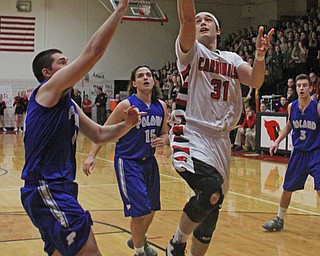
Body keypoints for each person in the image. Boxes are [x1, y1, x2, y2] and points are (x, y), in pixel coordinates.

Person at [19, 1, 145, 256]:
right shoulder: (47, 91)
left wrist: (127, 124)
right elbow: (94, 53)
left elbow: (99, 134)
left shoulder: (68, 104)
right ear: (48, 73)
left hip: (58, 188)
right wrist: (120, 9)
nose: (70, 66)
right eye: (62, 62)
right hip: (48, 187)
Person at [166, 1, 274, 255]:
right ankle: (177, 242)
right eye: (199, 19)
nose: (202, 22)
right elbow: (187, 21)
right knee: (210, 191)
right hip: (192, 133)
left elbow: (256, 80)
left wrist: (259, 56)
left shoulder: (232, 59)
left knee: (212, 209)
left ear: (219, 30)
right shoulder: (191, 52)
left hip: (221, 140)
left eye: (209, 20)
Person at [83, 66, 169, 256]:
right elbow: (104, 130)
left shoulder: (161, 106)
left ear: (154, 81)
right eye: (140, 76)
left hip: (150, 162)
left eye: (149, 75)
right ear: (134, 83)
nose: (145, 78)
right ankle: (138, 251)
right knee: (138, 212)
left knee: (152, 207)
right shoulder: (126, 105)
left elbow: (165, 133)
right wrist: (91, 156)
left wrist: (162, 140)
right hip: (128, 162)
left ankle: (139, 237)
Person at [262, 74, 320, 232]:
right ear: (296, 88)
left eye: (304, 85)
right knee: (287, 188)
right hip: (299, 153)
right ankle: (279, 219)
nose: (301, 88)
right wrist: (277, 141)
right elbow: (289, 125)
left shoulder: (317, 107)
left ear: (310, 88)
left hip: (315, 153)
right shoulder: (291, 106)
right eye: (299, 85)